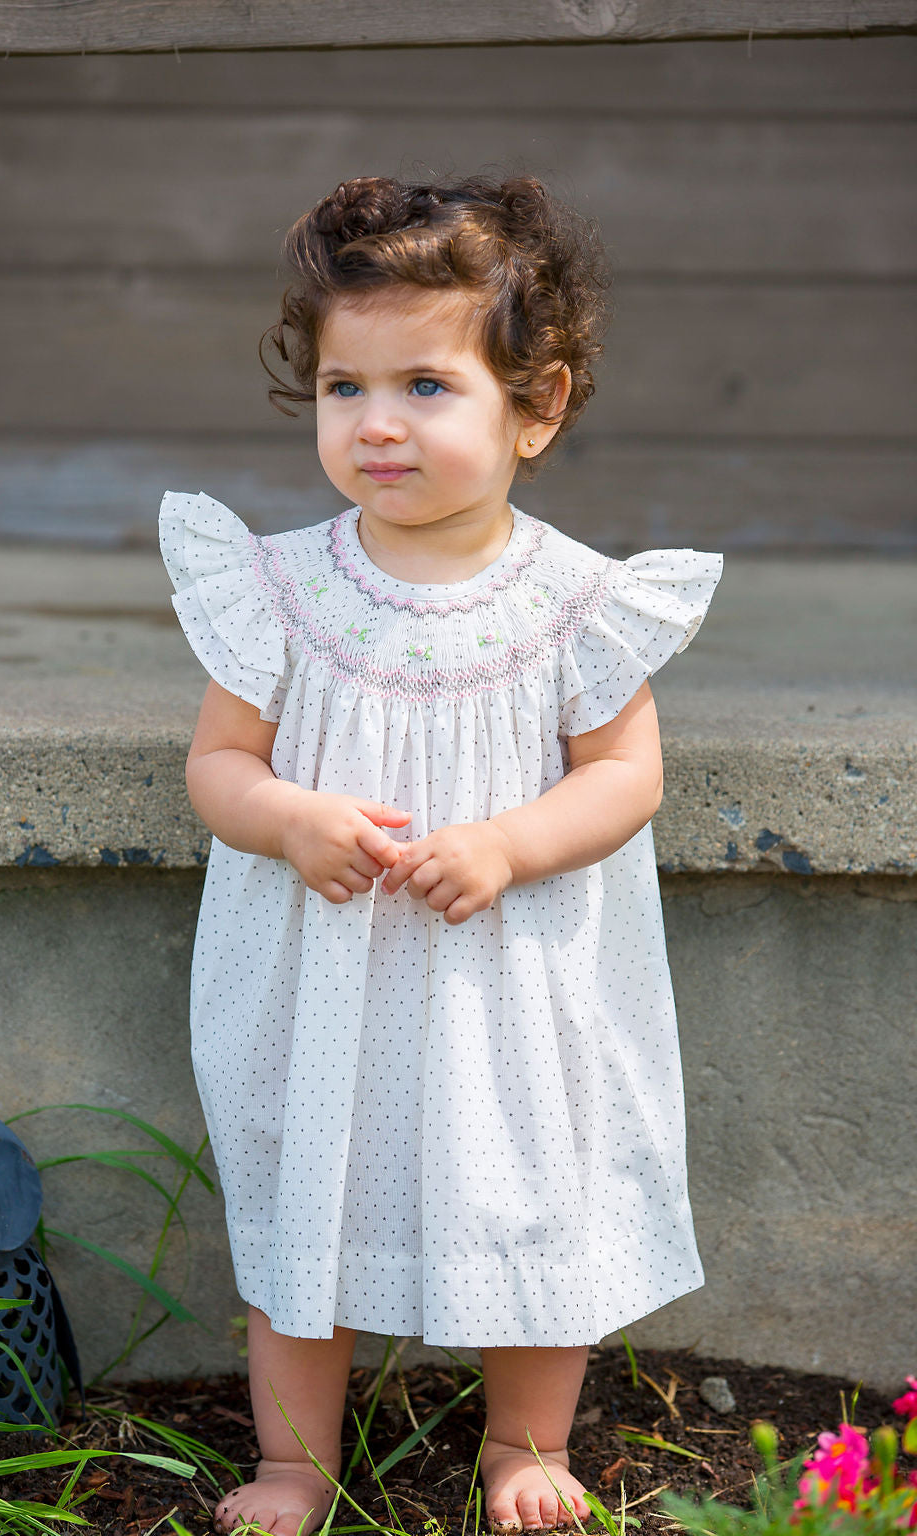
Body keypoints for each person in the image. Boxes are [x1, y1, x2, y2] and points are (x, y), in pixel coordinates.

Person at [159, 172, 723, 1536]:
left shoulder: (577, 604)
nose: (376, 423)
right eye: (343, 388)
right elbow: (219, 765)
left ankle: (525, 1444)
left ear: (538, 406)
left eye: (425, 385)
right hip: (327, 979)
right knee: (310, 1197)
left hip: (509, 981)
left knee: (531, 1193)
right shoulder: (281, 590)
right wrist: (286, 817)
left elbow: (625, 777)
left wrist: (512, 844)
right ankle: (295, 1463)